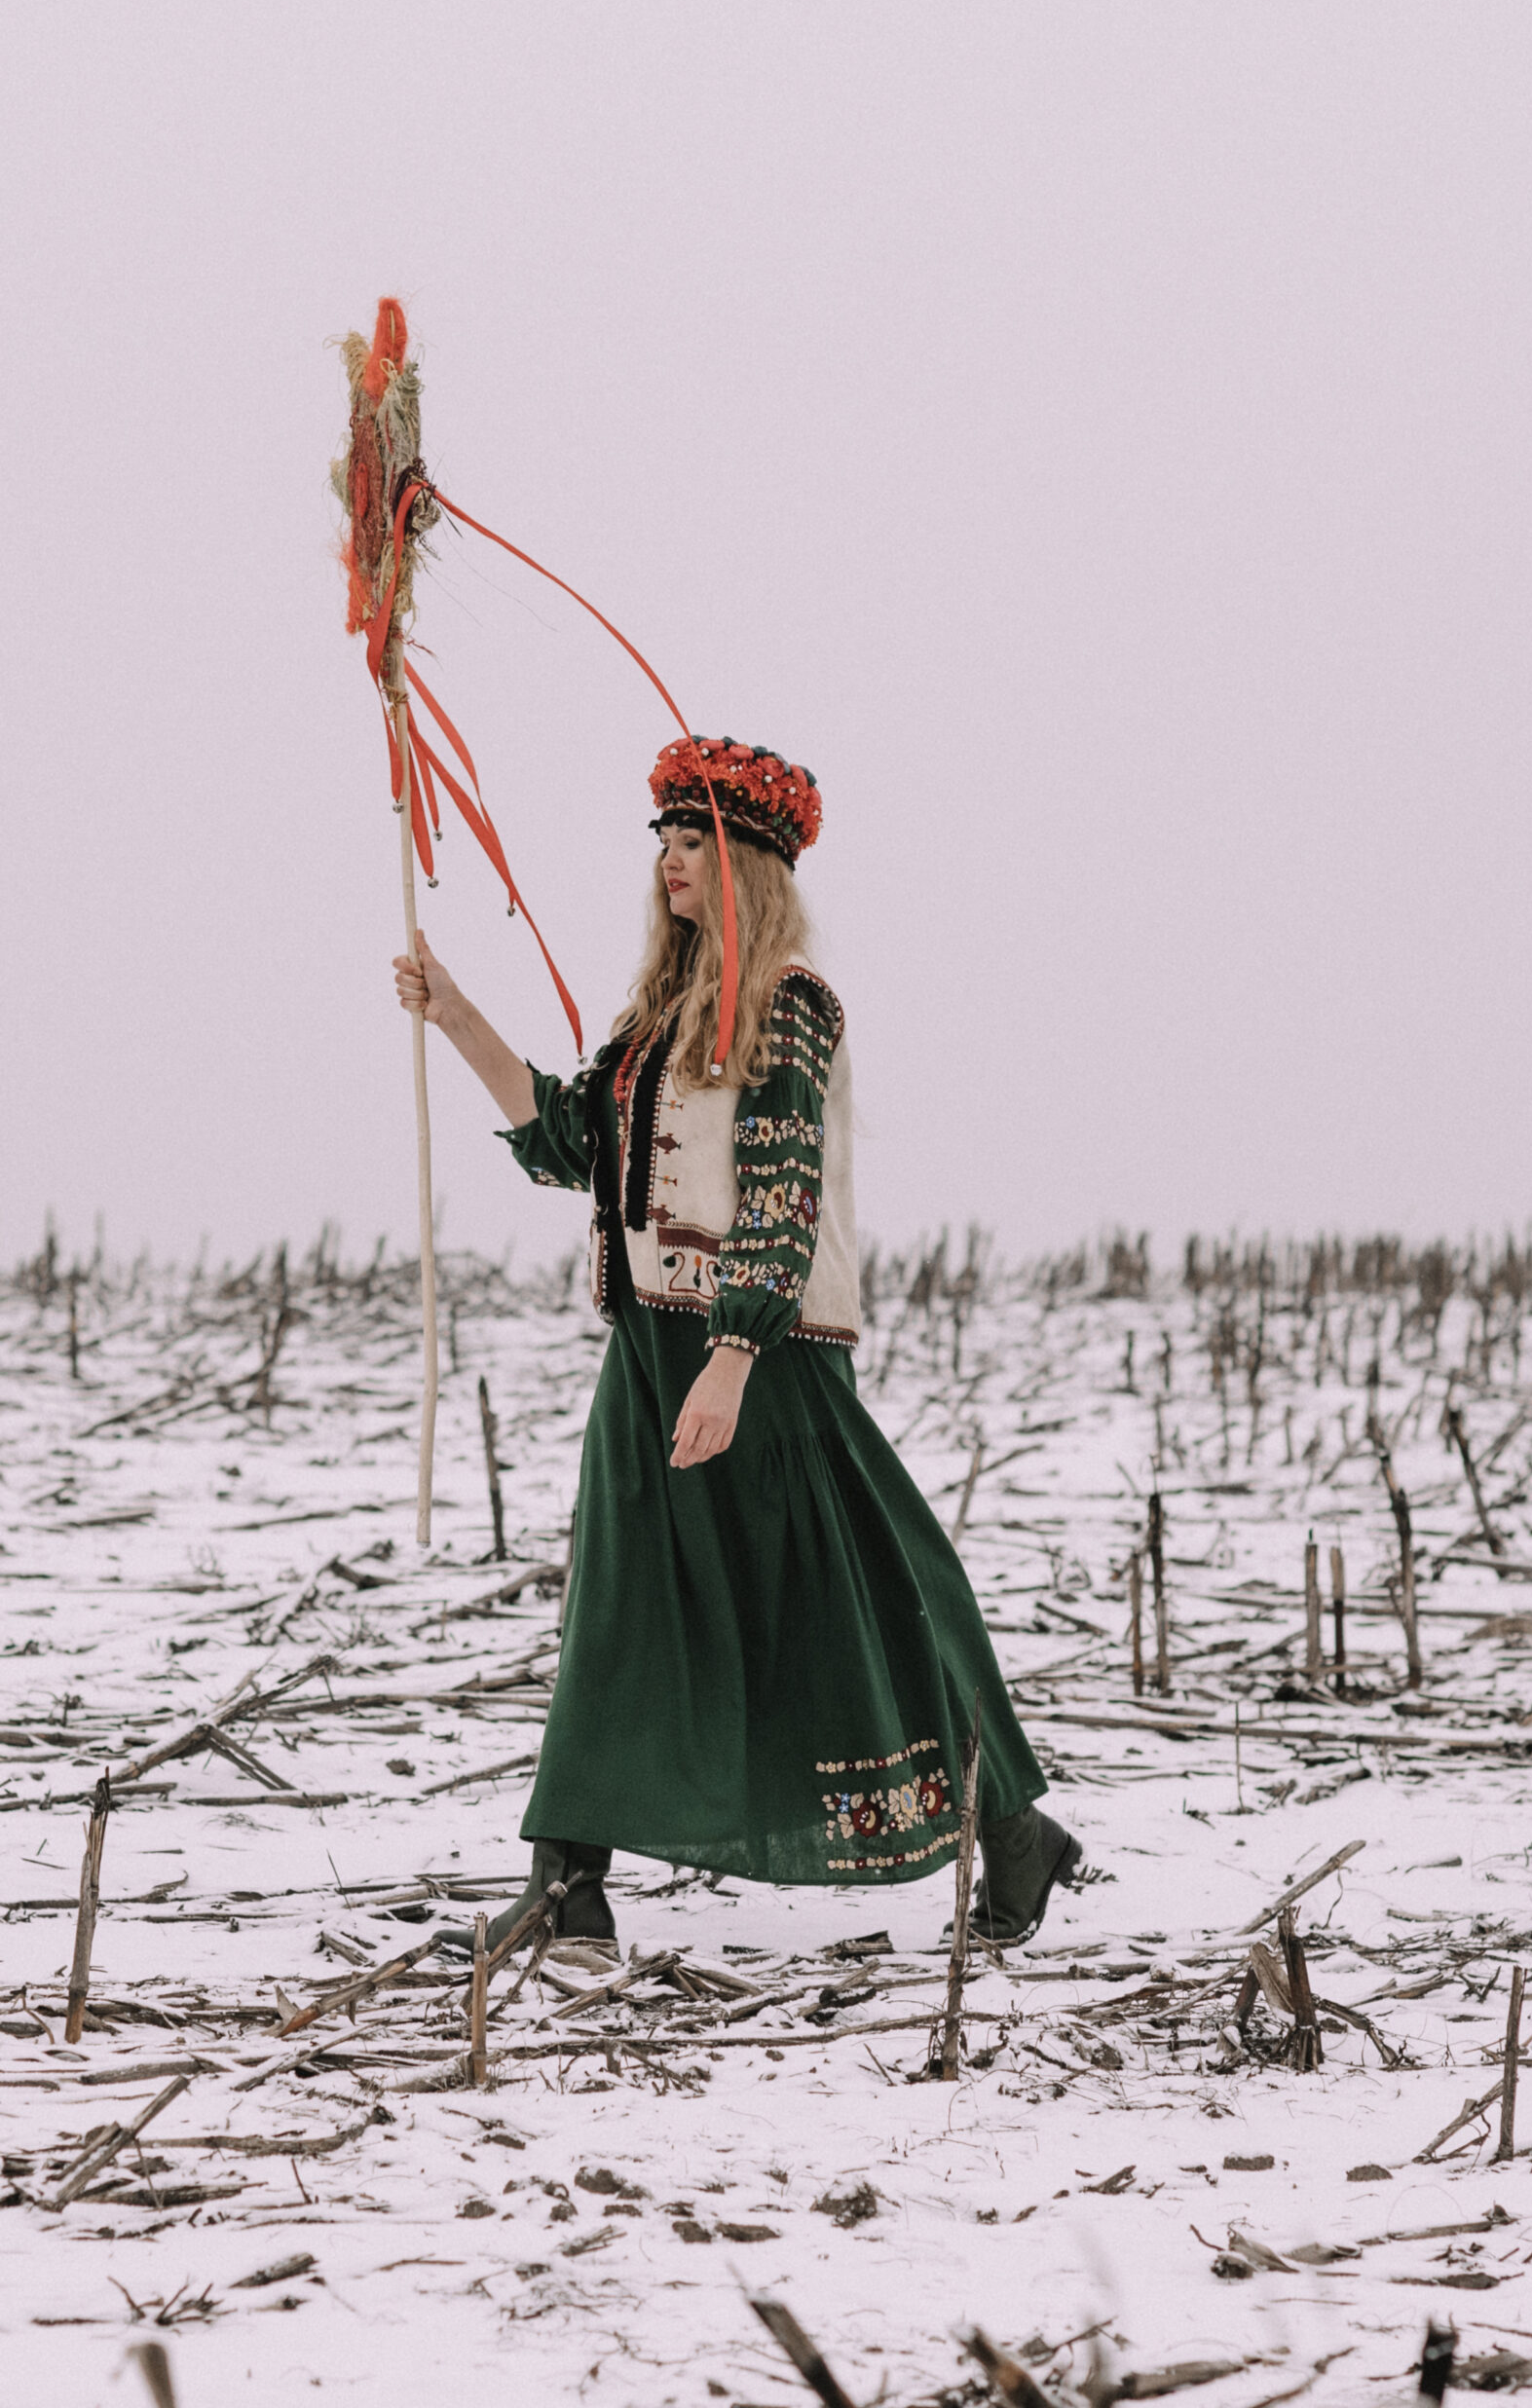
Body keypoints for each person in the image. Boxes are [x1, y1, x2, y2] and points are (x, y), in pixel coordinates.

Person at [392, 734, 1080, 1949]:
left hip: (766, 1354)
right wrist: (454, 1015)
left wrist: (733, 1356)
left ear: (749, 861)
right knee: (617, 1602)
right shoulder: (657, 1021)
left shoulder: (789, 1006)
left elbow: (780, 1190)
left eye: (694, 838)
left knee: (871, 1591)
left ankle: (1015, 1826)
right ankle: (567, 1882)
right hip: (647, 1349)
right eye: (663, 837)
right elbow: (572, 1144)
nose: (670, 858)